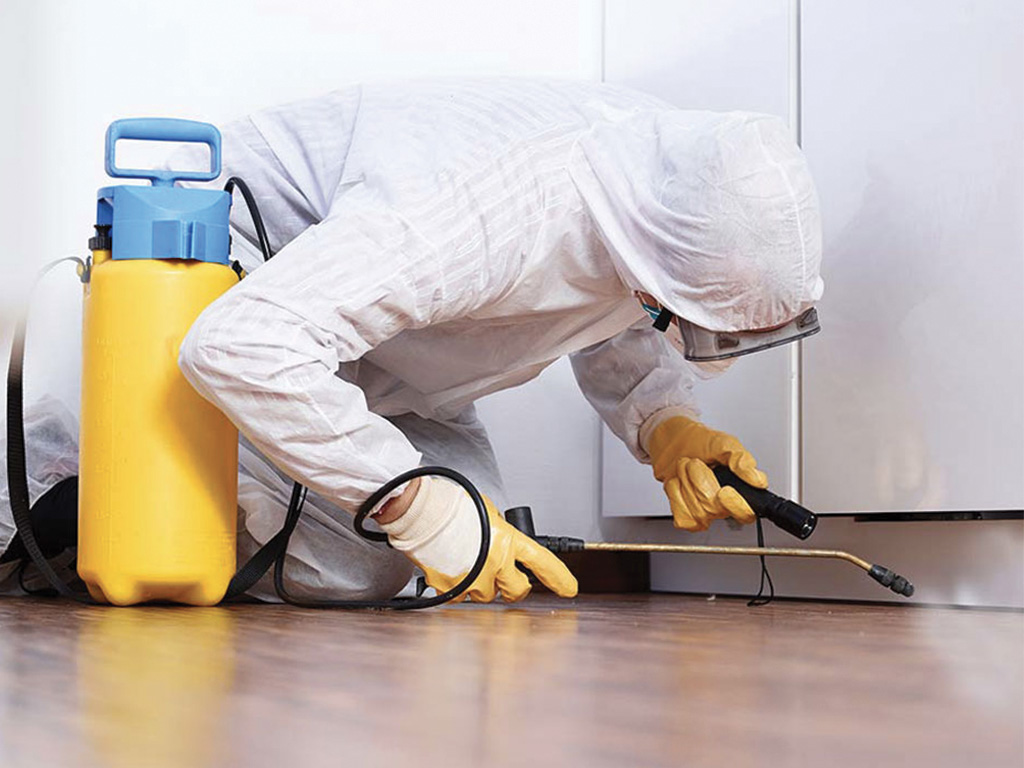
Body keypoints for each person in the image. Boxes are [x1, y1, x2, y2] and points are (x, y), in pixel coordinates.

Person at [2, 78, 824, 603]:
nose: (685, 332)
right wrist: (411, 500)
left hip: (378, 343)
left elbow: (614, 292)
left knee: (459, 544)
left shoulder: (665, 176)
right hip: (238, 295)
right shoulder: (478, 210)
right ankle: (58, 480)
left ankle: (167, 502)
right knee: (371, 558)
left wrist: (666, 423)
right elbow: (241, 347)